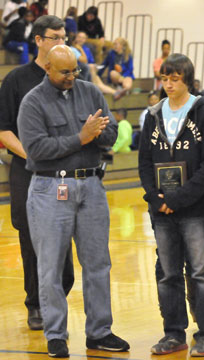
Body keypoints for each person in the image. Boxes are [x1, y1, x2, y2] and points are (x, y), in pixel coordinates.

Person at [18, 44, 129, 358]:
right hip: (50, 188)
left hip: (91, 185)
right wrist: (81, 137)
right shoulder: (32, 102)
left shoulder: (91, 92)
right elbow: (37, 150)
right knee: (50, 267)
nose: (72, 76)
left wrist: (101, 133)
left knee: (98, 263)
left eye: (75, 70)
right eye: (65, 71)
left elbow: (109, 134)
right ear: (48, 68)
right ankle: (56, 335)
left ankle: (100, 332)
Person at [138, 53, 204, 357]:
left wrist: (178, 198)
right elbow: (145, 162)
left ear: (187, 80)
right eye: (165, 79)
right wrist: (155, 197)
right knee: (167, 273)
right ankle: (173, 334)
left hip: (194, 209)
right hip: (161, 211)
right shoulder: (153, 114)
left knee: (200, 273)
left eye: (175, 79)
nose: (169, 84)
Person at [0, 14, 74, 333]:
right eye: (55, 37)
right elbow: (3, 130)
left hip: (65, 173)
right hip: (28, 172)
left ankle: (57, 295)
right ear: (39, 41)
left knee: (65, 244)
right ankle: (37, 305)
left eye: (64, 37)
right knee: (31, 241)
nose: (61, 42)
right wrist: (34, 153)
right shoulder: (16, 79)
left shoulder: (71, 78)